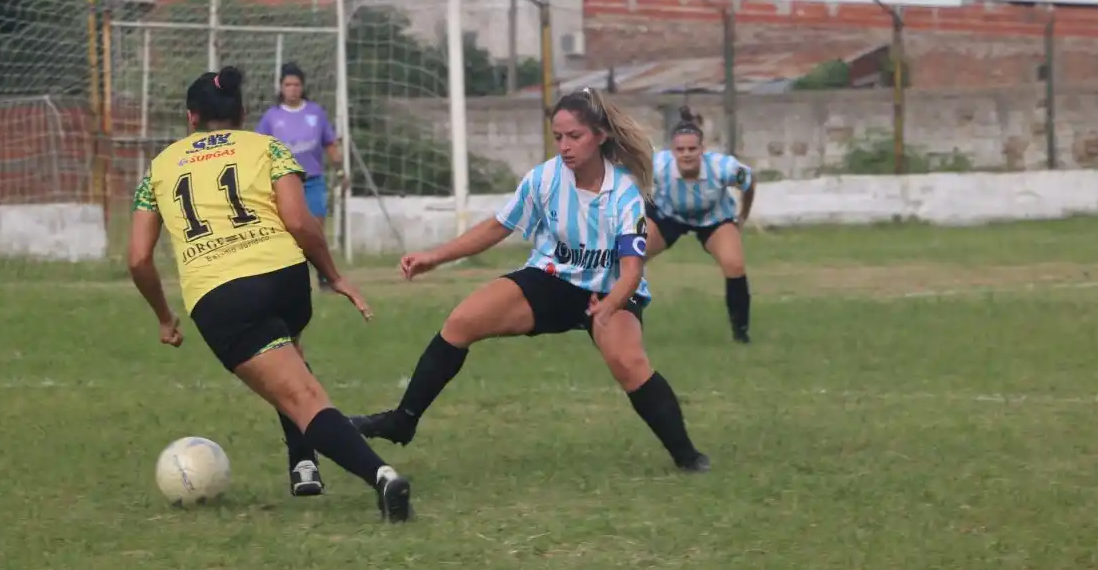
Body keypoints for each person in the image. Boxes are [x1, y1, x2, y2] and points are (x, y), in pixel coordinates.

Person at [350, 87, 710, 473]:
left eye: (575, 136)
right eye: (558, 137)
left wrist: (611, 304)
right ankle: (402, 420)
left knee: (629, 363)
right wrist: (434, 257)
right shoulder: (545, 178)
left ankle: (687, 457)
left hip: (610, 290)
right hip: (551, 280)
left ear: (600, 136)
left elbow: (632, 270)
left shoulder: (623, 193)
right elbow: (497, 227)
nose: (565, 146)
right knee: (461, 322)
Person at [127, 65, 412, 522]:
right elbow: (300, 223)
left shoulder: (159, 168)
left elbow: (139, 258)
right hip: (285, 278)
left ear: (190, 117)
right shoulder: (269, 147)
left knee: (301, 397)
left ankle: (382, 478)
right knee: (289, 358)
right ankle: (303, 465)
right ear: (242, 112)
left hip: (222, 297)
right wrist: (333, 276)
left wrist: (164, 316)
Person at [644, 106, 756, 344]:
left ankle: (741, 334)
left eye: (692, 149)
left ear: (703, 150)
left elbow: (749, 181)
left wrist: (742, 216)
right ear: (672, 151)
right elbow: (626, 178)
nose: (686, 154)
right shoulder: (658, 165)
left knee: (734, 264)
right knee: (629, 259)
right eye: (680, 149)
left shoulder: (723, 168)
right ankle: (617, 324)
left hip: (713, 218)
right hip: (668, 214)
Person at [255, 62, 343, 291]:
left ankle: (324, 274)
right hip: (284, 182)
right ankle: (290, 275)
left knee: (316, 226)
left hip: (312, 179)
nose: (292, 89)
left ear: (303, 87)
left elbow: (330, 143)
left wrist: (340, 167)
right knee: (288, 229)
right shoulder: (272, 117)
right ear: (281, 87)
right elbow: (257, 148)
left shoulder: (315, 113)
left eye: (296, 84)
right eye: (288, 84)